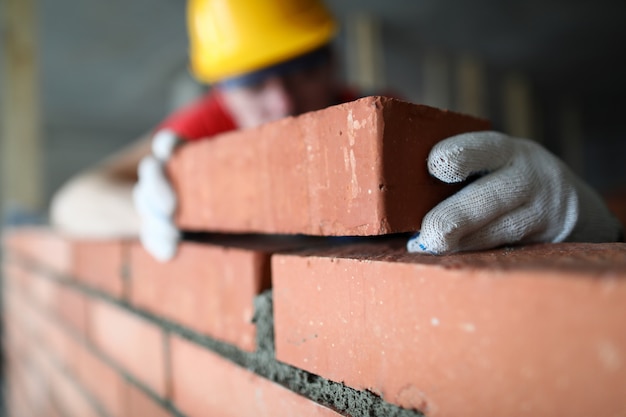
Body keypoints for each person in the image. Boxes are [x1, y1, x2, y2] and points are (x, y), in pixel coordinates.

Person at [50, 0, 623, 262]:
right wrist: (164, 207)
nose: (280, 101)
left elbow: (477, 180)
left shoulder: (376, 117)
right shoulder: (209, 128)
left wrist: (582, 228)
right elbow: (73, 202)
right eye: (255, 83)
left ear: (329, 61)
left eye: (300, 69)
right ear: (221, 89)